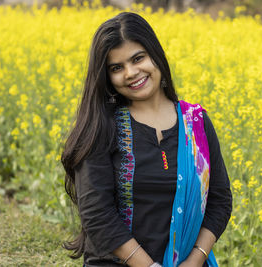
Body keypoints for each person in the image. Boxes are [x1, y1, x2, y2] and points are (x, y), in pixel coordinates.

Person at [61, 12, 232, 267]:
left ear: (155, 55)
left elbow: (220, 199)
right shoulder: (101, 127)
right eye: (116, 68)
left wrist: (195, 259)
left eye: (138, 58)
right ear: (107, 77)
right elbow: (97, 213)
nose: (130, 73)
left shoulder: (196, 123)